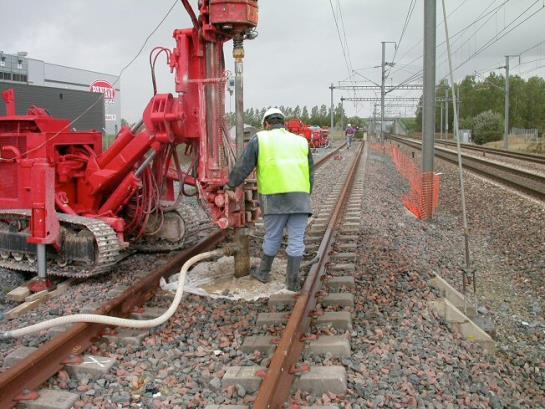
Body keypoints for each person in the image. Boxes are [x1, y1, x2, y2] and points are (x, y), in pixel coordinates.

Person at [225, 108, 314, 292]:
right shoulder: (301, 141)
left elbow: (244, 165)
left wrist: (231, 185)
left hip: (274, 200)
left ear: (266, 123)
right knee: (296, 240)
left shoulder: (261, 139)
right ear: (284, 123)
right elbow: (310, 174)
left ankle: (264, 272)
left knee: (273, 236)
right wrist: (306, 195)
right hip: (301, 199)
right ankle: (293, 282)